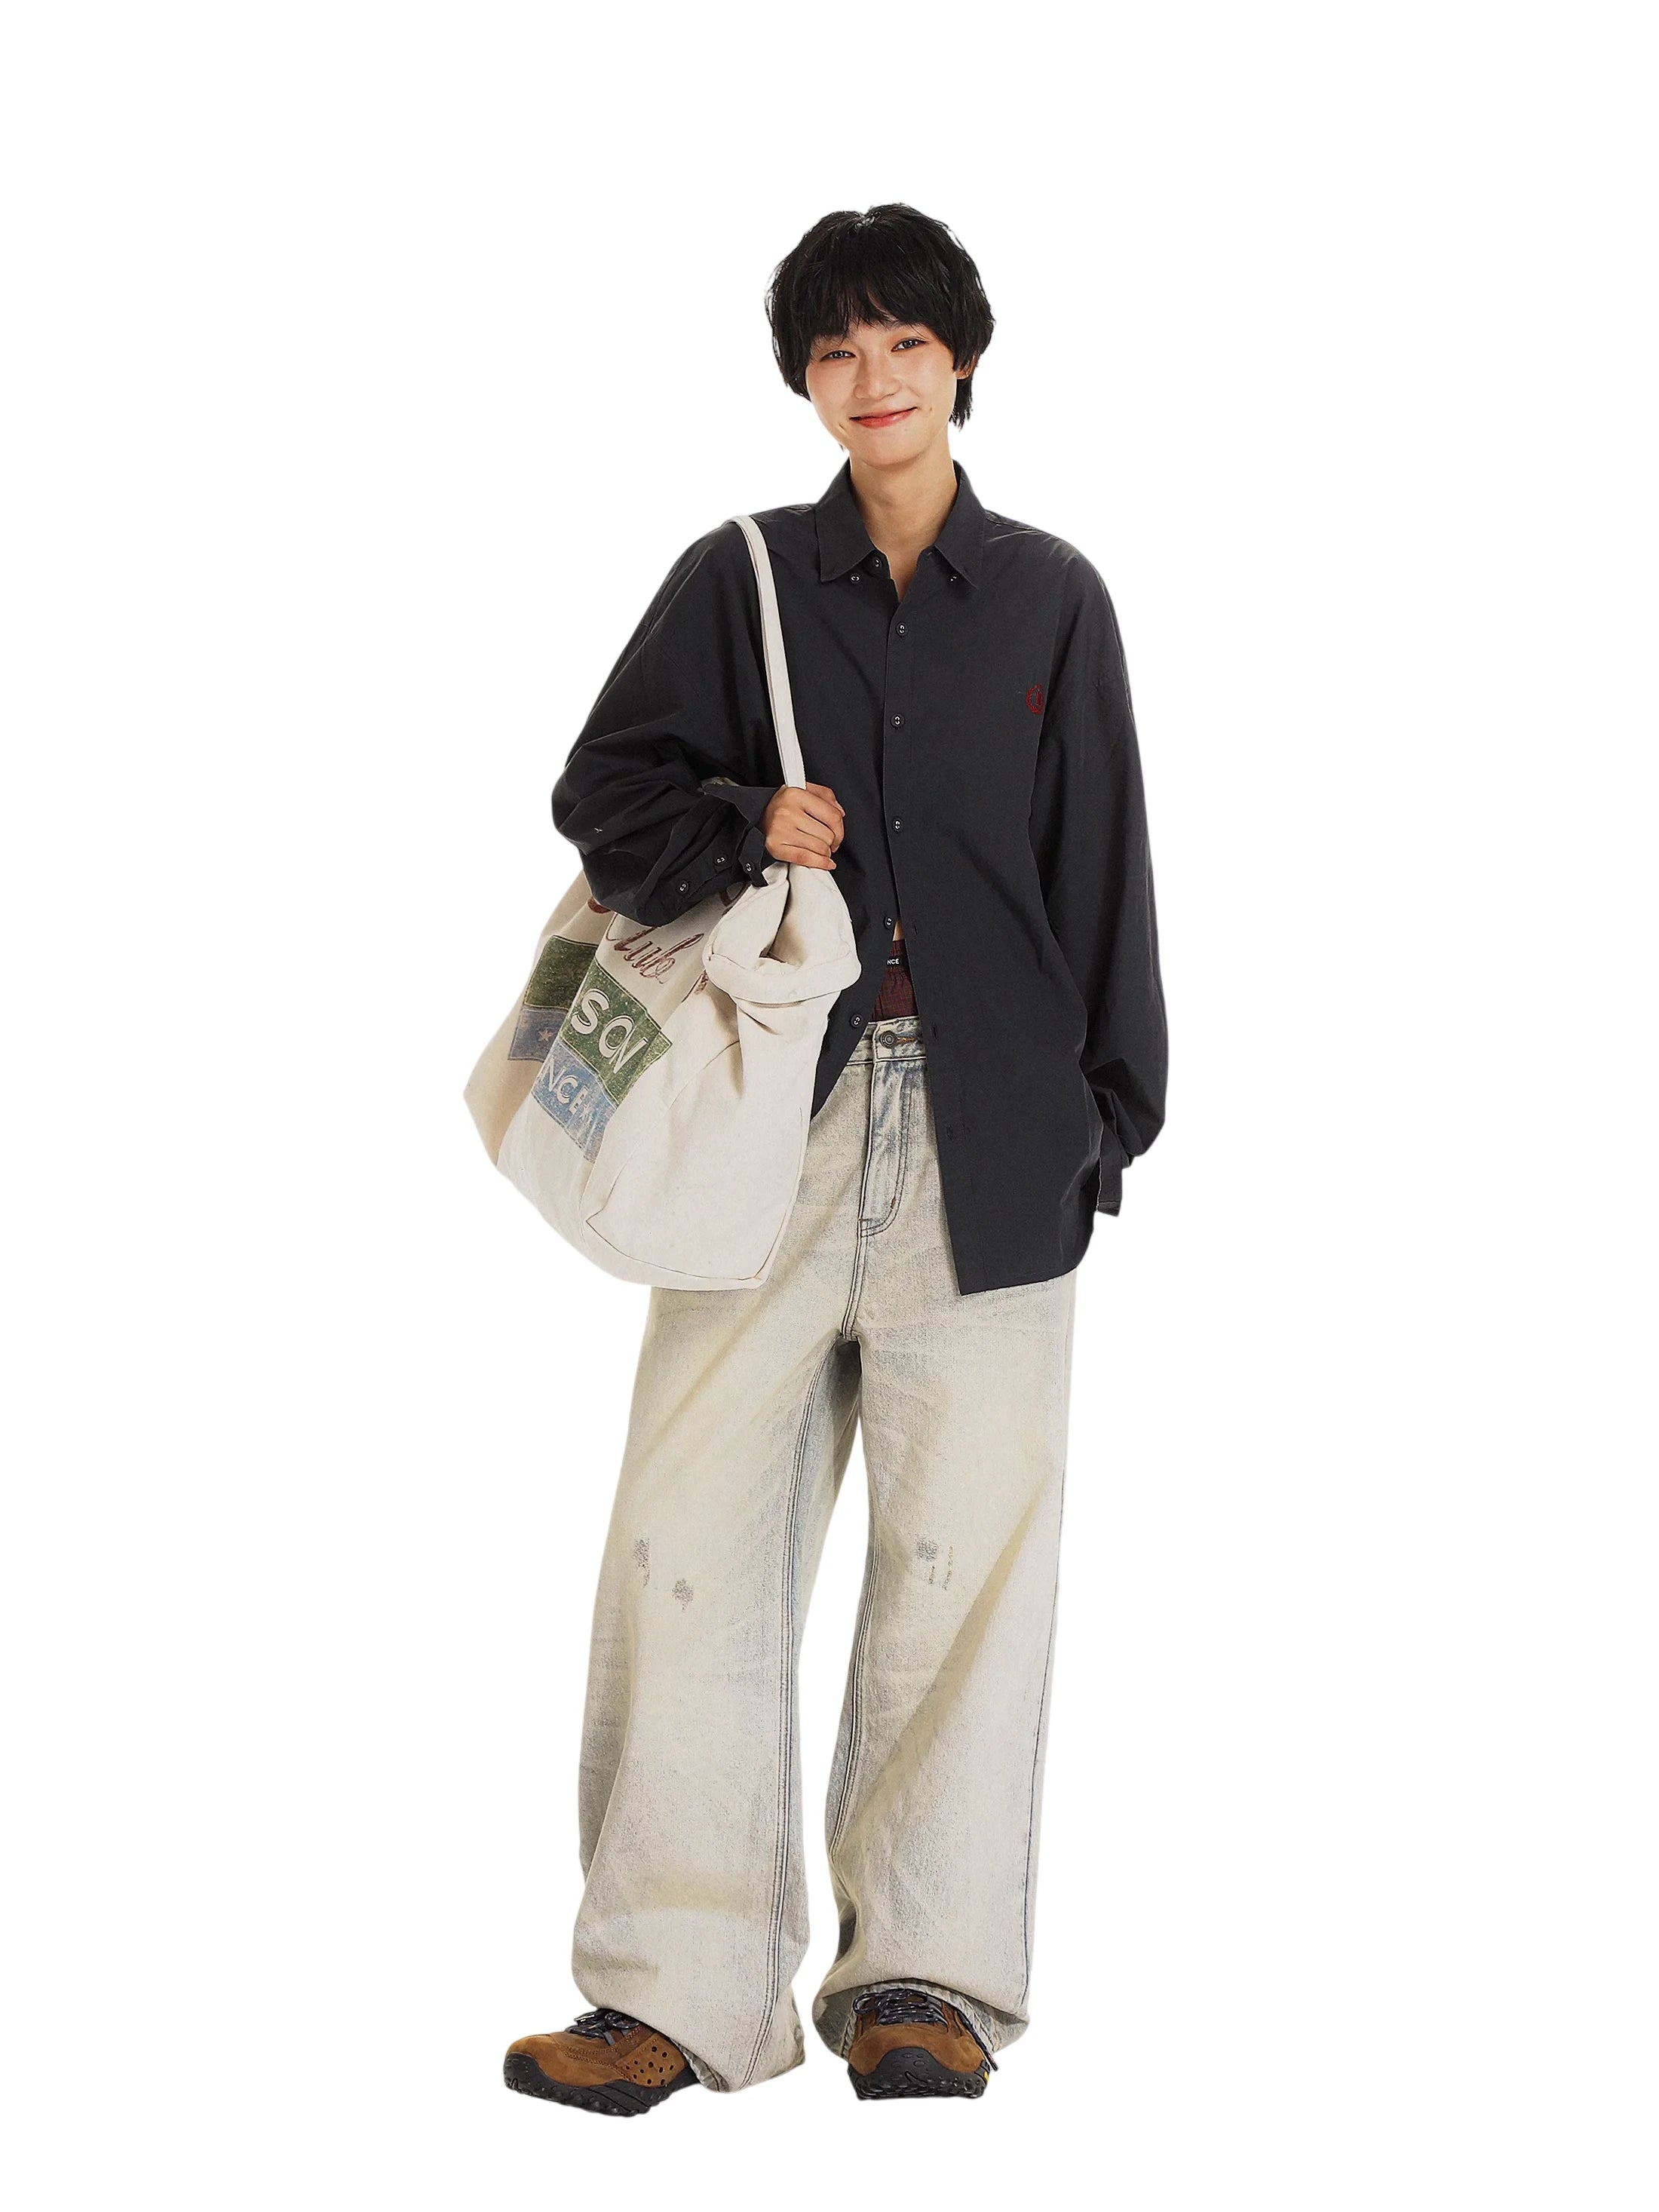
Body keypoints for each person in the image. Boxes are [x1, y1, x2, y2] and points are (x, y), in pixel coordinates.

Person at [501, 203, 1167, 2115]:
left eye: (902, 346)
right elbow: (600, 794)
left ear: (961, 361)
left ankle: (922, 1985)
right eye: (833, 352)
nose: (870, 381)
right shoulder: (736, 581)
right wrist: (742, 820)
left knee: (965, 1573)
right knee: (686, 1552)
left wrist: (1106, 1114)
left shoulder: (1049, 596)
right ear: (803, 378)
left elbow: (1098, 856)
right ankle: (671, 1992)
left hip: (998, 1134)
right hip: (762, 1126)